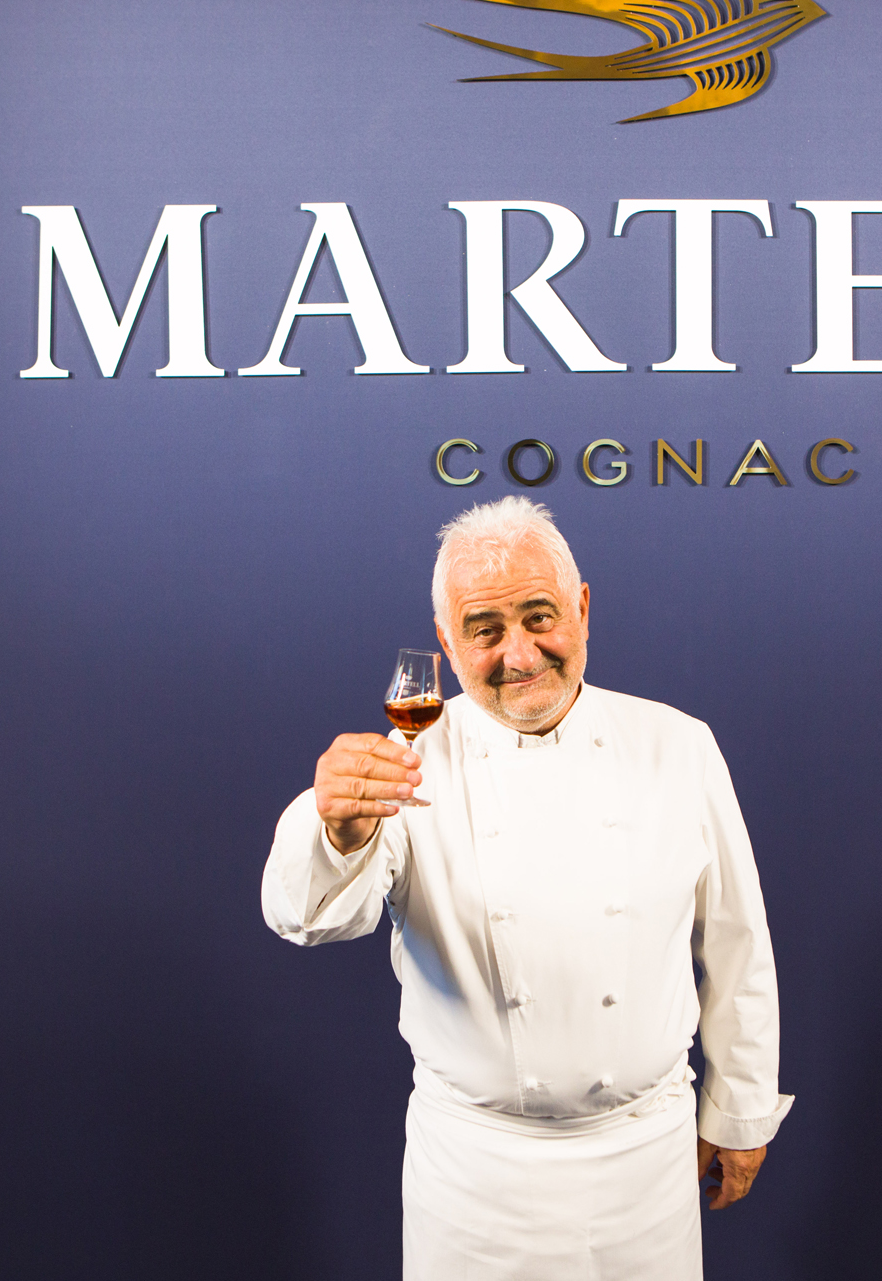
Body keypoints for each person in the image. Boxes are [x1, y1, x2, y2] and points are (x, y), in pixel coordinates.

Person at [262, 496, 791, 1280]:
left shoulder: (679, 745)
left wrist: (741, 1110)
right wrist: (336, 829)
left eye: (539, 616)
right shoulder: (405, 763)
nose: (518, 653)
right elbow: (306, 916)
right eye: (484, 629)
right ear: (447, 641)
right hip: (476, 1178)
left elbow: (737, 942)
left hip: (645, 1164)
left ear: (582, 610)